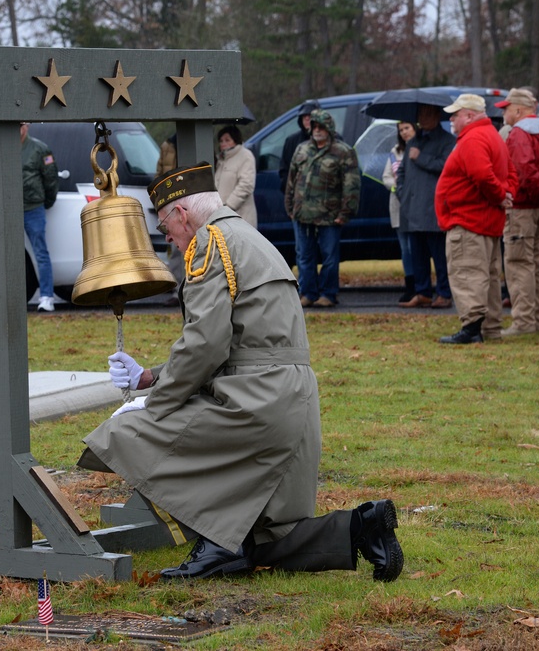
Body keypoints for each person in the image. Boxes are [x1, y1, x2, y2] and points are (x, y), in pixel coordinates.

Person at [78, 162, 403, 581]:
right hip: (292, 397)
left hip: (255, 402)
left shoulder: (208, 244)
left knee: (124, 435)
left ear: (182, 215)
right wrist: (150, 376)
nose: (170, 242)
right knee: (270, 537)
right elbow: (243, 342)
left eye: (165, 228)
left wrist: (150, 402)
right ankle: (364, 526)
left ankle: (215, 542)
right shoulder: (248, 236)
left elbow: (206, 345)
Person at [434, 94, 517, 344]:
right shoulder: (492, 135)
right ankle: (490, 328)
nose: (451, 119)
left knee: (467, 272)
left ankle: (471, 329)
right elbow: (511, 172)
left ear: (469, 115)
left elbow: (482, 175)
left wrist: (500, 194)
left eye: (455, 114)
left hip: (468, 220)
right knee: (489, 276)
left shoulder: (473, 138)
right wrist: (506, 193)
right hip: (486, 221)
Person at [494, 89, 539, 336]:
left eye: (506, 108)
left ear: (519, 110)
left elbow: (524, 170)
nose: (503, 112)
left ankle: (523, 322)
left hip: (523, 207)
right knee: (538, 263)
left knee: (519, 263)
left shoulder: (519, 134)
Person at [285, 109, 360, 308]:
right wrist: (290, 206)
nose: (317, 130)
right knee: (304, 256)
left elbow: (351, 185)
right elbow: (292, 180)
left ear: (329, 129)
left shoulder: (343, 151)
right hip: (302, 214)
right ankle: (308, 293)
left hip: (330, 215)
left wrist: (346, 212)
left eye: (321, 127)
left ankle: (328, 293)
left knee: (329, 257)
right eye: (314, 126)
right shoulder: (301, 149)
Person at [397, 103, 456, 309]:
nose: (422, 118)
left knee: (439, 255)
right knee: (418, 255)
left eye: (427, 113)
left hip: (434, 208)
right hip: (412, 208)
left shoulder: (448, 141)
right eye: (420, 114)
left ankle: (444, 293)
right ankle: (422, 292)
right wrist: (402, 192)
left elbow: (446, 166)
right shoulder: (414, 140)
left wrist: (420, 157)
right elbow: (402, 171)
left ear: (437, 115)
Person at [19, 122, 59, 312]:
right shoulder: (3, 147)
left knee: (41, 253)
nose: (19, 129)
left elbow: (51, 180)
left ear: (27, 126)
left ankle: (46, 297)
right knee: (9, 255)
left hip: (34, 208)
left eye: (21, 125)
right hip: (10, 209)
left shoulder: (40, 149)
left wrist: (46, 202)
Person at [383, 122, 418, 303]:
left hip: (417, 204)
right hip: (398, 204)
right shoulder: (395, 151)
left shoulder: (419, 149)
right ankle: (410, 285)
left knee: (417, 247)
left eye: (407, 128)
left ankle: (422, 284)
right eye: (401, 130)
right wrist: (397, 187)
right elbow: (386, 176)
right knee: (405, 248)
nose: (404, 132)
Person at [155, 133, 185, 306]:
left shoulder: (191, 140)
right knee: (174, 248)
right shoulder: (166, 146)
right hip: (171, 201)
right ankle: (177, 289)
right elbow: (159, 172)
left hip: (190, 199)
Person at [214, 125, 257, 228]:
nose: (223, 143)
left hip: (240, 217)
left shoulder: (246, 156)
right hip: (222, 217)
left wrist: (229, 206)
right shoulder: (220, 160)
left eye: (227, 140)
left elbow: (246, 185)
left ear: (236, 140)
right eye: (221, 141)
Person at [278, 100, 317, 194]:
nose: (307, 119)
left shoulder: (332, 140)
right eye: (304, 116)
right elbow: (285, 171)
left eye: (310, 116)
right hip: (299, 197)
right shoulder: (292, 141)